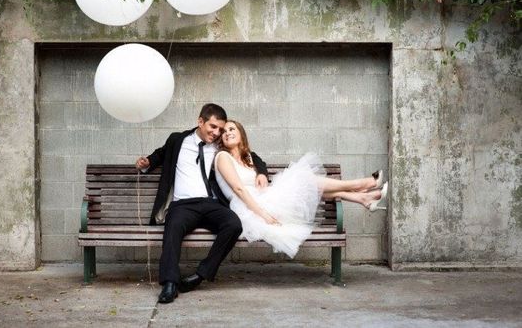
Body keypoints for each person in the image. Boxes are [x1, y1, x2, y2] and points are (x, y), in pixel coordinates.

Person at [135, 105, 269, 304]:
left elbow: (249, 154)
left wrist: (261, 172)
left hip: (211, 203)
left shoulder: (218, 146)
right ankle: (170, 283)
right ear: (200, 122)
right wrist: (146, 163)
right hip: (183, 205)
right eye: (213, 127)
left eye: (220, 130)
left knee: (233, 225)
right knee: (173, 227)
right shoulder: (178, 140)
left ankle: (201, 275)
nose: (216, 133)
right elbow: (160, 154)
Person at [214, 120, 388, 259]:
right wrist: (263, 214)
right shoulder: (222, 157)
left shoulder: (249, 158)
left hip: (262, 198)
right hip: (248, 208)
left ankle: (363, 198)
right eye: (224, 131)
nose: (227, 132)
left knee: (305, 183)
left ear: (241, 134)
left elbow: (259, 167)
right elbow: (239, 189)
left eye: (232, 129)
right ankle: (362, 185)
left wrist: (261, 174)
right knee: (303, 180)